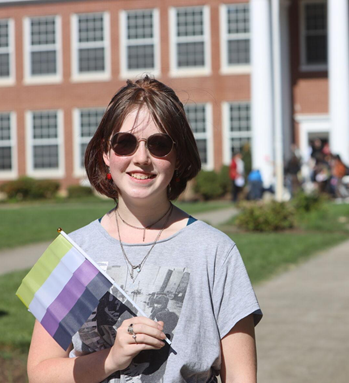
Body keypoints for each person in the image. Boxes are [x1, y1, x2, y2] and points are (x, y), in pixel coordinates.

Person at [27, 77, 262, 383]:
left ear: (178, 157)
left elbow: (242, 376)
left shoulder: (215, 252)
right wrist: (110, 359)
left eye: (159, 144)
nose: (141, 158)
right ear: (105, 153)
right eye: (125, 142)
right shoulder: (74, 251)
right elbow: (40, 372)